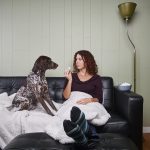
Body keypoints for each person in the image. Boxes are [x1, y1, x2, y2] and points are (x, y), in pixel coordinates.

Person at [63, 50, 103, 149]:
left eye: (80, 59)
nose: (77, 61)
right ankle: (90, 137)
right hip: (74, 103)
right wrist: (70, 80)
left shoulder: (96, 78)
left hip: (90, 104)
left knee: (86, 113)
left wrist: (89, 100)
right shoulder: (71, 76)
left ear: (87, 61)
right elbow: (65, 97)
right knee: (74, 111)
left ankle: (82, 137)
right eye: (76, 59)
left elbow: (99, 98)